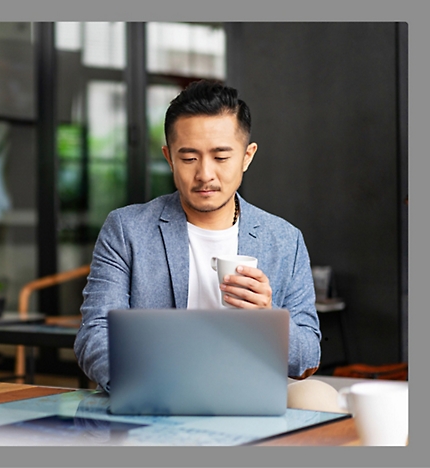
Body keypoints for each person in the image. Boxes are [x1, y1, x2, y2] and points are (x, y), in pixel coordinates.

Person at [74, 80, 322, 394]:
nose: (205, 174)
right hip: (155, 396)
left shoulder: (285, 240)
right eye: (189, 158)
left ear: (247, 156)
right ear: (169, 157)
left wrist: (268, 316)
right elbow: (94, 336)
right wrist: (153, 387)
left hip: (247, 399)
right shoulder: (127, 230)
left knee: (318, 397)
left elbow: (308, 356)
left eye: (221, 158)